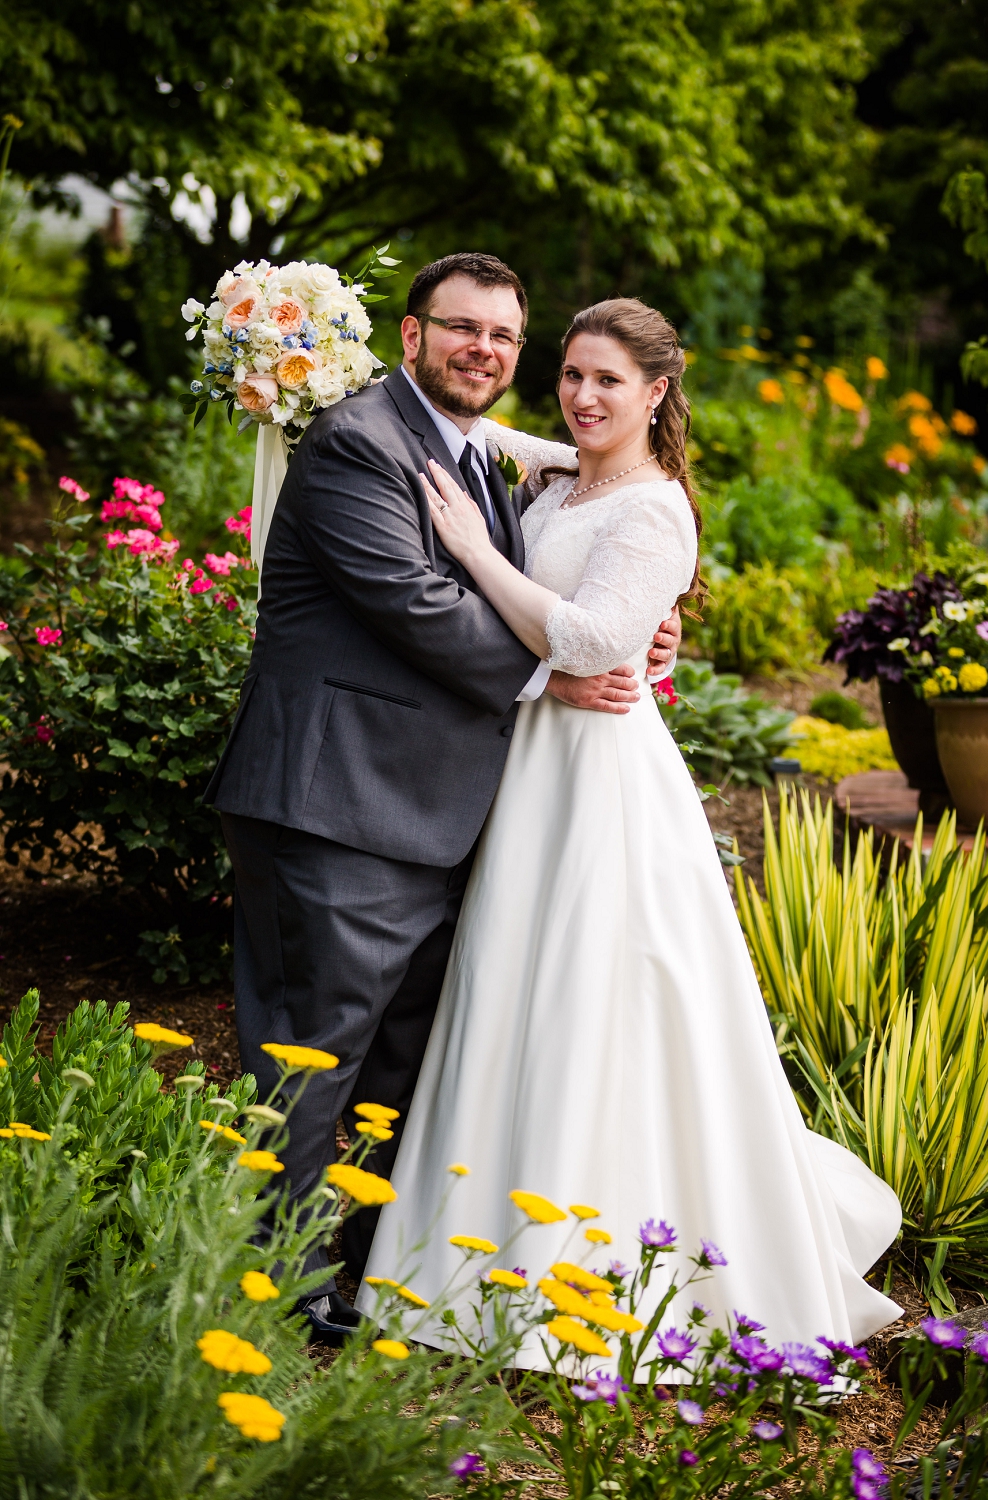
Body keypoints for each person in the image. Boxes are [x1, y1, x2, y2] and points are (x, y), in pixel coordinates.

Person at [358, 297, 903, 1363]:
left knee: (592, 990)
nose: (583, 395)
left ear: (657, 392)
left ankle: (589, 1256)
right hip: (528, 771)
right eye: (569, 373)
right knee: (510, 980)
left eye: (608, 380)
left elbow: (596, 636)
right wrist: (332, 355)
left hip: (599, 776)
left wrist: (474, 548)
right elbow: (467, 425)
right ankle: (473, 1244)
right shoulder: (564, 471)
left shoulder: (655, 510)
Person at [204, 255, 682, 1343]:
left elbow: (589, 517)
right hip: (336, 803)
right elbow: (417, 602)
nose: (483, 350)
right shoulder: (361, 445)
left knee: (392, 1062)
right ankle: (265, 1297)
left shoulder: (476, 455)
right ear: (409, 336)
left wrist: (635, 601)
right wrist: (555, 674)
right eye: (460, 328)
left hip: (439, 813)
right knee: (310, 1059)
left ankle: (351, 1278)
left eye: (503, 338)